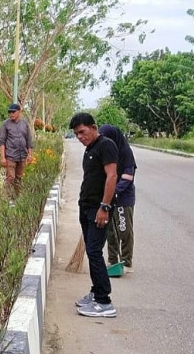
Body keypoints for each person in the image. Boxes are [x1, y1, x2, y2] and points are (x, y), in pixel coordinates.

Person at [69, 112, 118, 318]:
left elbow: (112, 176)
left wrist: (104, 207)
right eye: (76, 134)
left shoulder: (106, 145)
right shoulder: (90, 148)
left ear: (93, 127)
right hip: (86, 206)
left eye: (82, 132)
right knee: (92, 251)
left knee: (95, 252)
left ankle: (104, 301)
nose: (80, 137)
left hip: (98, 208)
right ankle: (96, 292)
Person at [98, 124, 137, 273]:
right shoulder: (106, 151)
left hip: (123, 198)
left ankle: (127, 262)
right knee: (110, 231)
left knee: (124, 229)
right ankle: (113, 260)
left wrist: (114, 191)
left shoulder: (126, 152)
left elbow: (128, 177)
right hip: (107, 197)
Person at [0, 103, 33, 199]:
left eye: (13, 112)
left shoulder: (25, 124)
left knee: (19, 178)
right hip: (10, 156)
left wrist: (30, 155)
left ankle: (17, 198)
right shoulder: (5, 124)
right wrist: (2, 157)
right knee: (10, 178)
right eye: (9, 112)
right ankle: (9, 198)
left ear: (19, 112)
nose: (11, 114)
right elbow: (2, 142)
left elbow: (29, 141)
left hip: (22, 156)